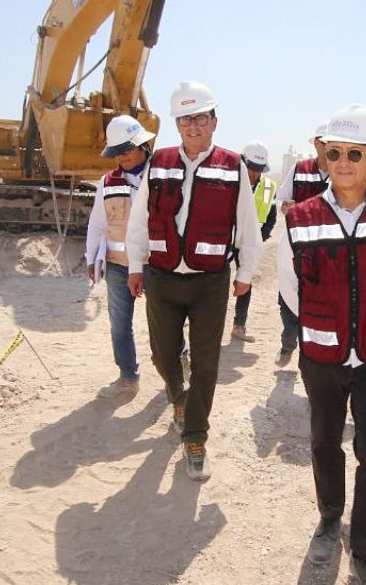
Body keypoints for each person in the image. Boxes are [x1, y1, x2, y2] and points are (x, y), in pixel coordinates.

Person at [277, 103, 366, 585]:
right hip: (322, 355)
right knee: (323, 442)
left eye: (355, 153)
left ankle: (364, 547)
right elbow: (289, 286)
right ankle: (330, 516)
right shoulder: (300, 217)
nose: (343, 162)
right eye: (334, 152)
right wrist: (328, 325)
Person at [125, 80, 263, 482]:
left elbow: (248, 226)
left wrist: (246, 273)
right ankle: (177, 397)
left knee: (206, 362)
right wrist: (136, 265)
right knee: (163, 355)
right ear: (177, 124)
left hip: (210, 281)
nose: (192, 126)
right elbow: (140, 219)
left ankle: (195, 436)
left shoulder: (232, 165)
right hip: (163, 277)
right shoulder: (160, 161)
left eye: (200, 117)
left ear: (214, 121)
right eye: (185, 119)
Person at [85, 115, 157, 398]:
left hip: (155, 264)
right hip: (117, 267)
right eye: (118, 152)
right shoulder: (108, 182)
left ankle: (178, 363)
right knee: (119, 324)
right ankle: (128, 376)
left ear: (142, 144)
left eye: (127, 149)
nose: (123, 157)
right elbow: (97, 223)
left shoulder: (161, 174)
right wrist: (91, 258)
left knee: (164, 323)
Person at [273, 121, 331, 367]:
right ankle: (288, 343)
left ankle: (312, 356)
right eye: (325, 142)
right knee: (288, 297)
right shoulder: (299, 169)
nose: (329, 148)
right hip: (296, 248)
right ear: (316, 143)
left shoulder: (345, 172)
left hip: (328, 252)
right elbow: (282, 200)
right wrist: (288, 207)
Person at [231, 140, 278, 342]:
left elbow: (271, 218)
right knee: (214, 282)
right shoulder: (228, 181)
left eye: (257, 170)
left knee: (245, 282)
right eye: (250, 168)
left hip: (249, 245)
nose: (252, 173)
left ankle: (239, 326)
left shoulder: (269, 188)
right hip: (224, 241)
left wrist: (258, 239)